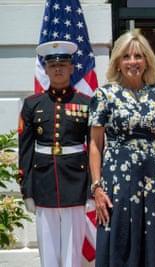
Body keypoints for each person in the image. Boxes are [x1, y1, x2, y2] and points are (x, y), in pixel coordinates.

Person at [88, 30, 155, 266]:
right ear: (118, 61)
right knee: (121, 243)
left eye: (138, 56)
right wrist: (97, 187)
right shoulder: (104, 95)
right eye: (126, 56)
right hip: (117, 180)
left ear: (147, 60)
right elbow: (96, 144)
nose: (133, 62)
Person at [17, 40, 91, 267]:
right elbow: (26, 149)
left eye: (63, 64)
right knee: (47, 251)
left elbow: (96, 149)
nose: (58, 69)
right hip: (43, 181)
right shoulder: (32, 104)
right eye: (52, 65)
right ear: (46, 69)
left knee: (72, 252)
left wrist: (91, 189)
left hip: (76, 182)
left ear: (71, 68)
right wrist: (27, 189)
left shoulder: (86, 102)